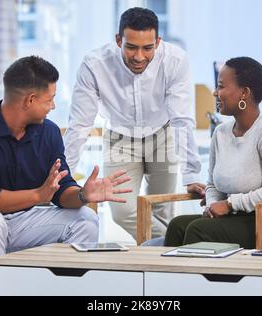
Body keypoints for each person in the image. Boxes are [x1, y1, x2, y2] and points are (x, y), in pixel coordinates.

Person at [0, 56, 132, 296]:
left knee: (85, 218)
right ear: (30, 100)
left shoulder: (49, 133)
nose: (53, 106)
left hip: (21, 219)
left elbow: (62, 189)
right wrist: (37, 195)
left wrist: (83, 195)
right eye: (50, 99)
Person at [64, 7, 205, 240]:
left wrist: (191, 174)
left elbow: (181, 119)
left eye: (147, 48)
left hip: (163, 134)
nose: (139, 56)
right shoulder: (94, 64)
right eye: (131, 47)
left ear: (158, 42)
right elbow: (79, 124)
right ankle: (181, 243)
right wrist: (64, 176)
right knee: (121, 210)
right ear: (118, 40)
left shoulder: (175, 60)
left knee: (163, 208)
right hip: (120, 138)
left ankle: (158, 266)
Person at [164, 57, 262, 251]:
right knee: (177, 226)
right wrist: (213, 206)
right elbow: (213, 185)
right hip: (240, 218)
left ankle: (200, 282)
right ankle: (168, 282)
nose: (215, 93)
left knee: (199, 230)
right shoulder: (221, 133)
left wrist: (230, 204)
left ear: (244, 93)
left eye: (221, 86)